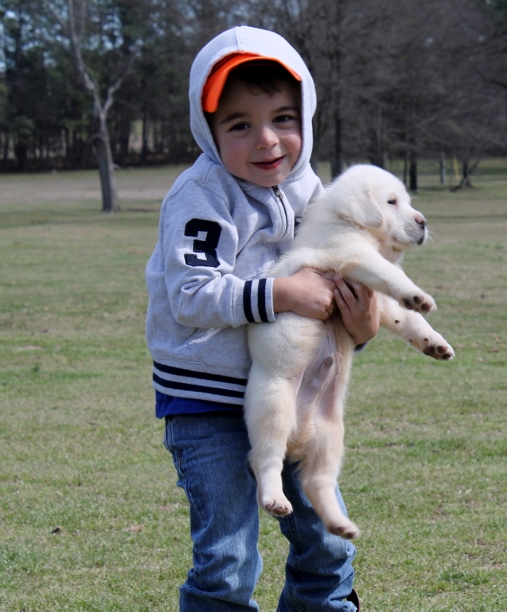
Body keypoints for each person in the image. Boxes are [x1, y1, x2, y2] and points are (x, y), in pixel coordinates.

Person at [145, 25, 378, 611]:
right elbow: (192, 295)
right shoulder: (201, 194)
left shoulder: (317, 195)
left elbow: (331, 295)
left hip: (292, 396)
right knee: (227, 560)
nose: (267, 140)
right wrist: (282, 292)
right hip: (208, 401)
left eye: (283, 117)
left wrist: (361, 324)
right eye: (240, 124)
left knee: (326, 541)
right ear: (209, 131)